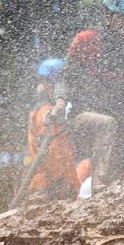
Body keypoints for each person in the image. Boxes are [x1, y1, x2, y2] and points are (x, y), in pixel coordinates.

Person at [51, 0, 124, 194]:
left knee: (118, 173)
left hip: (114, 135)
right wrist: (59, 103)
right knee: (106, 124)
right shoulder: (86, 41)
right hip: (81, 123)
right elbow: (64, 78)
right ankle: (100, 192)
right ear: (107, 14)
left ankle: (102, 200)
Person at [25, 58, 79, 201]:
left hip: (47, 185)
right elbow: (55, 153)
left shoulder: (37, 112)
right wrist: (65, 183)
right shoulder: (47, 113)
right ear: (50, 84)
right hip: (53, 189)